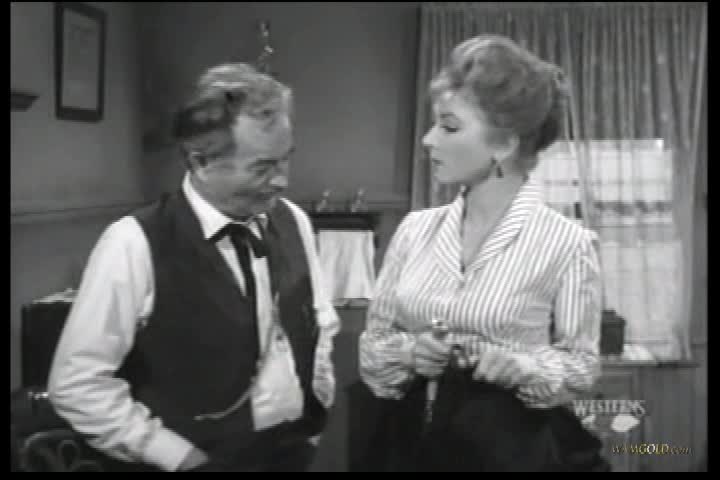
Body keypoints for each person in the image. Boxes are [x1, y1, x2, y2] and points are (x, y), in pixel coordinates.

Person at [48, 63, 339, 472]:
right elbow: (77, 385)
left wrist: (314, 417)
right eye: (262, 167)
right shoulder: (132, 242)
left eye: (285, 160)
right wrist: (177, 456)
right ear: (201, 162)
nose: (282, 181)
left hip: (289, 455)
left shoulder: (294, 221)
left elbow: (319, 325)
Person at [359, 35, 610, 472]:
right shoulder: (415, 230)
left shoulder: (567, 243)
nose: (428, 140)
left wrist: (523, 367)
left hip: (510, 451)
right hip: (409, 445)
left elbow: (581, 366)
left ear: (504, 144)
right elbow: (374, 345)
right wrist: (411, 354)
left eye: (449, 127)